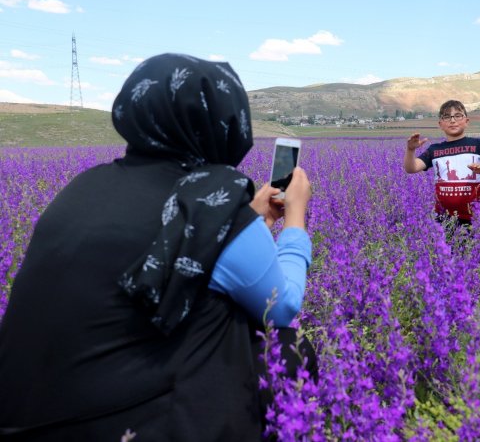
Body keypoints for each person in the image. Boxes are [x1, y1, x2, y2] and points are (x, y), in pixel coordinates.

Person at [0, 53, 316, 441]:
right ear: (224, 124)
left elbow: (172, 248)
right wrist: (296, 218)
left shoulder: (82, 187)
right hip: (128, 426)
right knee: (287, 347)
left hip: (23, 417)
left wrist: (253, 221)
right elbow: (282, 306)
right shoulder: (213, 203)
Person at [404, 99, 480, 225]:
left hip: (476, 217)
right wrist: (410, 150)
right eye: (447, 117)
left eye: (458, 116)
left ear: (466, 121)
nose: (453, 120)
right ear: (440, 124)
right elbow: (411, 168)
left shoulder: (478, 145)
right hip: (443, 217)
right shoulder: (434, 150)